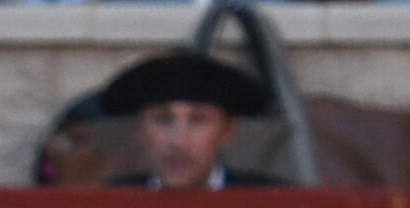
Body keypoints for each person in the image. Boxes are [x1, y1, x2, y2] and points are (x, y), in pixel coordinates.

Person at [97, 51, 280, 192]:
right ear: (142, 130)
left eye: (198, 120)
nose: (178, 142)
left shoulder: (269, 202)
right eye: (163, 119)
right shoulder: (109, 205)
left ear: (227, 130)